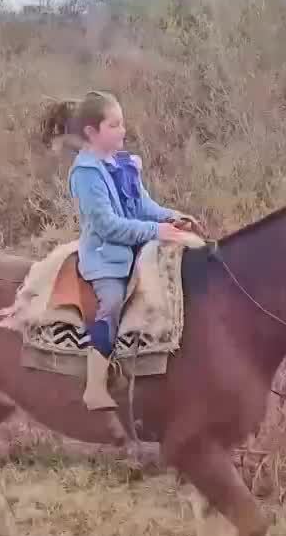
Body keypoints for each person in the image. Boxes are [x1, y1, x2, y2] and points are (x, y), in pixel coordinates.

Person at [40, 91, 202, 424]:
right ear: (91, 133)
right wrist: (156, 232)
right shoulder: (85, 174)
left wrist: (171, 217)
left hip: (137, 247)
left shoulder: (124, 164)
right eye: (114, 125)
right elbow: (107, 225)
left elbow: (144, 207)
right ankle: (95, 385)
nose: (122, 130)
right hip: (105, 257)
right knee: (111, 302)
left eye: (122, 123)